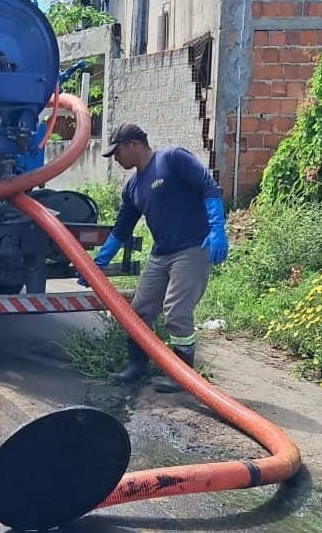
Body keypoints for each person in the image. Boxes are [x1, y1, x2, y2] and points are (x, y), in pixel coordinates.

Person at [90, 123, 228, 393]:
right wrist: (98, 263)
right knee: (138, 312)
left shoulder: (172, 158)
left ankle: (181, 374)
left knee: (176, 311)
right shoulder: (132, 187)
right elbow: (122, 229)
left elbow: (208, 187)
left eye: (117, 153)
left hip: (192, 248)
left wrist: (217, 229)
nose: (116, 159)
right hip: (161, 253)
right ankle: (137, 367)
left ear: (133, 145)